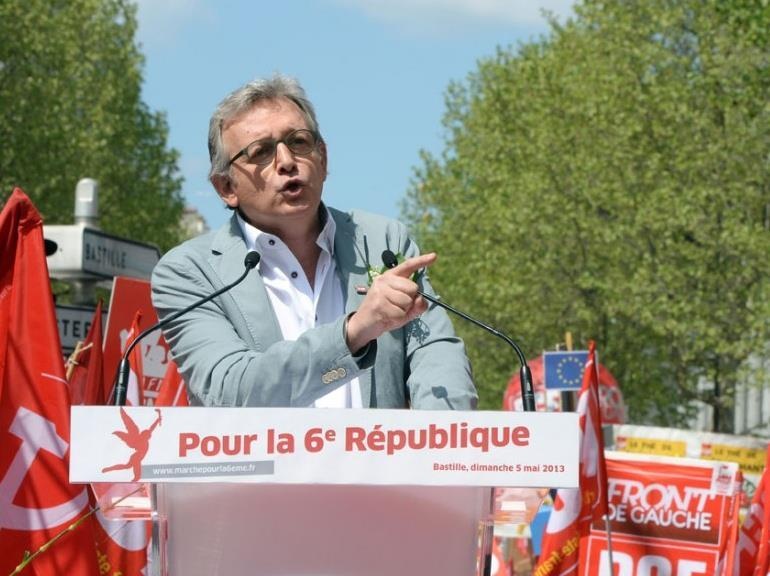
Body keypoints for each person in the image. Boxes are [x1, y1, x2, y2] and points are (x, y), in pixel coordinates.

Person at [151, 74, 477, 410]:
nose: (287, 161)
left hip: (381, 462)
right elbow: (231, 391)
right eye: (260, 152)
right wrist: (353, 334)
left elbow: (437, 355)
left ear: (323, 158)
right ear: (226, 188)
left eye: (299, 142)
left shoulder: (384, 241)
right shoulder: (189, 273)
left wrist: (439, 446)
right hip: (267, 463)